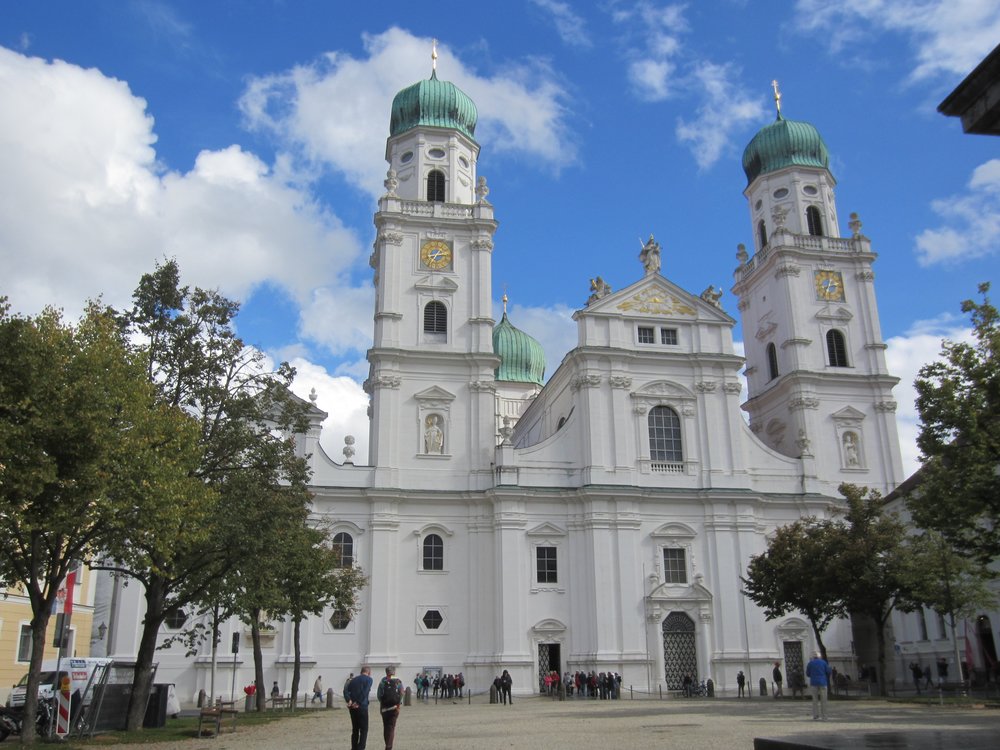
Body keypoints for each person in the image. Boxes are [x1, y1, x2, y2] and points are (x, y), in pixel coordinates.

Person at [344, 667, 373, 750]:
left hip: (352, 707)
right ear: (369, 672)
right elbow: (365, 692)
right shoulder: (369, 679)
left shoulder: (352, 680)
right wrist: (358, 702)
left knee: (355, 729)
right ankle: (360, 748)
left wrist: (349, 700)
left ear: (361, 672)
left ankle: (353, 748)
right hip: (362, 706)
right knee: (364, 730)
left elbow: (345, 691)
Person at [377, 666, 403, 750]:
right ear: (394, 672)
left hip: (384, 708)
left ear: (386, 672)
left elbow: (379, 695)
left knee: (386, 726)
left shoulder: (382, 681)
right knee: (391, 727)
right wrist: (398, 704)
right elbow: (402, 693)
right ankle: (389, 747)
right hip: (395, 707)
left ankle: (387, 744)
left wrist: (383, 702)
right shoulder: (398, 681)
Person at [806, 651, 832, 720]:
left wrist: (813, 675)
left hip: (814, 683)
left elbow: (808, 674)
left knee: (815, 700)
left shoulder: (810, 663)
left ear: (813, 657)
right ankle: (824, 716)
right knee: (824, 700)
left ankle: (815, 715)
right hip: (823, 682)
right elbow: (828, 672)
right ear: (820, 657)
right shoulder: (824, 662)